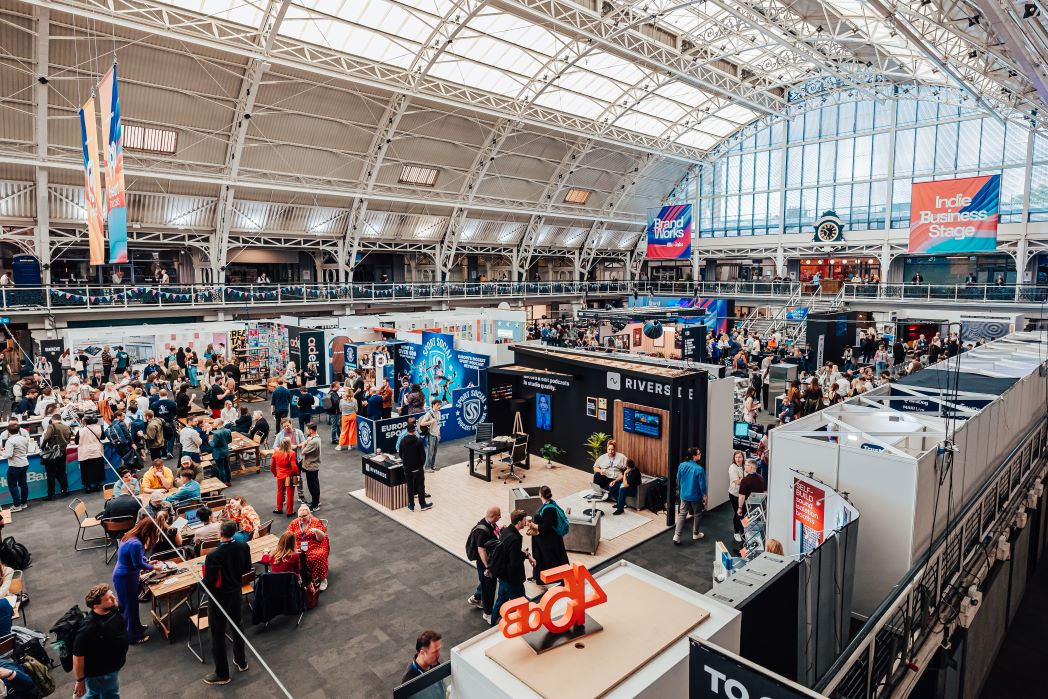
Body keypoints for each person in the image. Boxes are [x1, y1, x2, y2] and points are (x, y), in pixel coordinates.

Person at [202, 521, 252, 685]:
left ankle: (222, 674)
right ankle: (241, 661)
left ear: (220, 534)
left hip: (218, 599)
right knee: (238, 625)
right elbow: (246, 568)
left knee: (217, 634)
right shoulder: (243, 546)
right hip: (236, 593)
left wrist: (199, 584)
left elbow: (208, 584)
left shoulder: (213, 556)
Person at [72, 584, 129, 699]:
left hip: (112, 666)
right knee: (111, 695)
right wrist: (80, 681)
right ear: (96, 605)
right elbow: (78, 657)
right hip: (102, 673)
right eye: (109, 598)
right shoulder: (88, 628)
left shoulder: (112, 609)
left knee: (95, 693)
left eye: (112, 594)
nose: (114, 598)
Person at [112, 518, 163, 644]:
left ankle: (136, 627)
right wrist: (153, 567)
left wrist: (147, 562)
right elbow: (137, 564)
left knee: (132, 605)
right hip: (126, 577)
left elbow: (135, 558)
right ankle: (133, 637)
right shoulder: (136, 544)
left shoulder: (130, 536)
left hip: (125, 575)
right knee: (129, 607)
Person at [490, 510, 535, 627]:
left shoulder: (506, 531)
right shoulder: (516, 538)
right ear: (520, 522)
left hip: (503, 576)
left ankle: (492, 625)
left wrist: (525, 554)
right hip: (513, 580)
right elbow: (514, 562)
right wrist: (524, 555)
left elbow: (509, 552)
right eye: (525, 520)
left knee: (500, 601)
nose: (526, 522)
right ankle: (525, 626)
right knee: (522, 603)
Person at [466, 506, 500, 624]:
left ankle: (477, 597)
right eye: (498, 515)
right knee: (489, 588)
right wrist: (488, 567)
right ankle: (488, 613)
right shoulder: (482, 531)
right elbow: (481, 550)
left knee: (486, 582)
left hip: (489, 561)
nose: (500, 517)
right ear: (493, 516)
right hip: (485, 563)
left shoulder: (489, 523)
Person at [528, 486, 569, 581]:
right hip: (546, 538)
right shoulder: (550, 503)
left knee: (549, 559)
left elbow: (547, 526)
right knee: (544, 558)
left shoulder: (548, 509)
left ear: (540, 495)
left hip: (548, 540)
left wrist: (533, 525)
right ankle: (537, 576)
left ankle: (561, 578)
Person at [288, 505, 329, 591]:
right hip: (299, 545)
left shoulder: (316, 522)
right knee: (293, 556)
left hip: (315, 544)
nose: (302, 518)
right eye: (300, 516)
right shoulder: (294, 523)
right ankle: (303, 578)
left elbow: (321, 538)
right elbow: (288, 537)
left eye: (304, 516)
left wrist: (317, 531)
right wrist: (294, 548)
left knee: (319, 556)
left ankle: (322, 579)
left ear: (309, 515)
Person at [673, 447, 707, 545]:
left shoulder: (681, 465)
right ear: (694, 456)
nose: (700, 454)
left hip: (684, 495)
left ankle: (677, 535)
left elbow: (678, 478)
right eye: (699, 453)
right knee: (697, 514)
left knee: (682, 514)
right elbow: (702, 485)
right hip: (696, 496)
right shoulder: (699, 469)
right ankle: (695, 533)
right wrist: (704, 496)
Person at [398, 421, 430, 511]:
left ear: (407, 430)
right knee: (420, 486)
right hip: (418, 469)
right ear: (415, 430)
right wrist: (420, 466)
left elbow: (400, 454)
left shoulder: (402, 441)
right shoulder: (419, 442)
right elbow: (423, 456)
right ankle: (423, 505)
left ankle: (411, 506)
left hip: (407, 469)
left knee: (410, 487)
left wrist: (406, 463)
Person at [40, 413, 71, 500]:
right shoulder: (66, 427)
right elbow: (68, 439)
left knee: (51, 474)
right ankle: (64, 491)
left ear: (53, 419)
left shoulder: (51, 426)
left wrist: (42, 447)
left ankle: (51, 494)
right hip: (63, 452)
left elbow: (46, 438)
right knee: (62, 472)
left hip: (52, 453)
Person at [3, 422, 30, 512]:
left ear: (8, 431)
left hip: (15, 465)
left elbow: (8, 455)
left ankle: (17, 505)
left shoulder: (10, 441)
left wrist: (2, 453)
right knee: (23, 483)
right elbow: (26, 450)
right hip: (24, 463)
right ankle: (24, 503)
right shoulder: (24, 439)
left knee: (12, 485)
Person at [76, 415, 106, 493]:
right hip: (97, 452)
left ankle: (88, 487)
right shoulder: (99, 428)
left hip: (85, 453)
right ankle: (97, 485)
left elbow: (76, 441)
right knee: (98, 469)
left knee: (85, 471)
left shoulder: (81, 430)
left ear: (85, 422)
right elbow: (103, 437)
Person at [271, 438, 299, 517]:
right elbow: (294, 466)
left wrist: (275, 474)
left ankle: (279, 509)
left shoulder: (276, 453)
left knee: (280, 492)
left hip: (280, 476)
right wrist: (297, 474)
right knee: (290, 494)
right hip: (290, 476)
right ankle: (289, 511)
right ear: (289, 444)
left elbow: (272, 467)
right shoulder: (292, 453)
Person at [300, 423, 322, 510]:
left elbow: (303, 451)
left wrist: (305, 442)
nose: (306, 430)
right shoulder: (316, 438)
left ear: (311, 430)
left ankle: (315, 505)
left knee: (313, 486)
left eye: (307, 429)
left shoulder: (313, 441)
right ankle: (315, 501)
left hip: (311, 466)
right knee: (315, 484)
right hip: (313, 465)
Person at [418, 399, 442, 471]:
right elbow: (422, 423)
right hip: (430, 435)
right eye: (437, 405)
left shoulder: (439, 413)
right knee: (430, 452)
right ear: (433, 405)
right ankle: (427, 467)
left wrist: (438, 434)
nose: (439, 406)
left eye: (439, 405)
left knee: (435, 452)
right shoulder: (429, 413)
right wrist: (431, 421)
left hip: (436, 435)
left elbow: (438, 424)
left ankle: (432, 466)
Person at [728, 450, 746, 541]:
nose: (738, 459)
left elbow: (743, 480)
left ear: (743, 458)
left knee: (743, 513)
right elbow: (738, 482)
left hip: (743, 494)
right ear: (734, 458)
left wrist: (742, 478)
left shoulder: (744, 466)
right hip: (734, 494)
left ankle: (742, 530)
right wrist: (744, 479)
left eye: (740, 457)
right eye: (736, 457)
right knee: (738, 513)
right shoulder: (732, 468)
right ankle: (736, 532)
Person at [209, 418, 232, 484]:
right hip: (225, 451)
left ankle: (223, 482)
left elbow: (214, 445)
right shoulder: (228, 430)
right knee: (226, 466)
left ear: (218, 423)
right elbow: (229, 441)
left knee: (221, 468)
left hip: (218, 452)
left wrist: (209, 442)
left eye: (214, 422)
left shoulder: (216, 433)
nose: (213, 424)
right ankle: (228, 480)